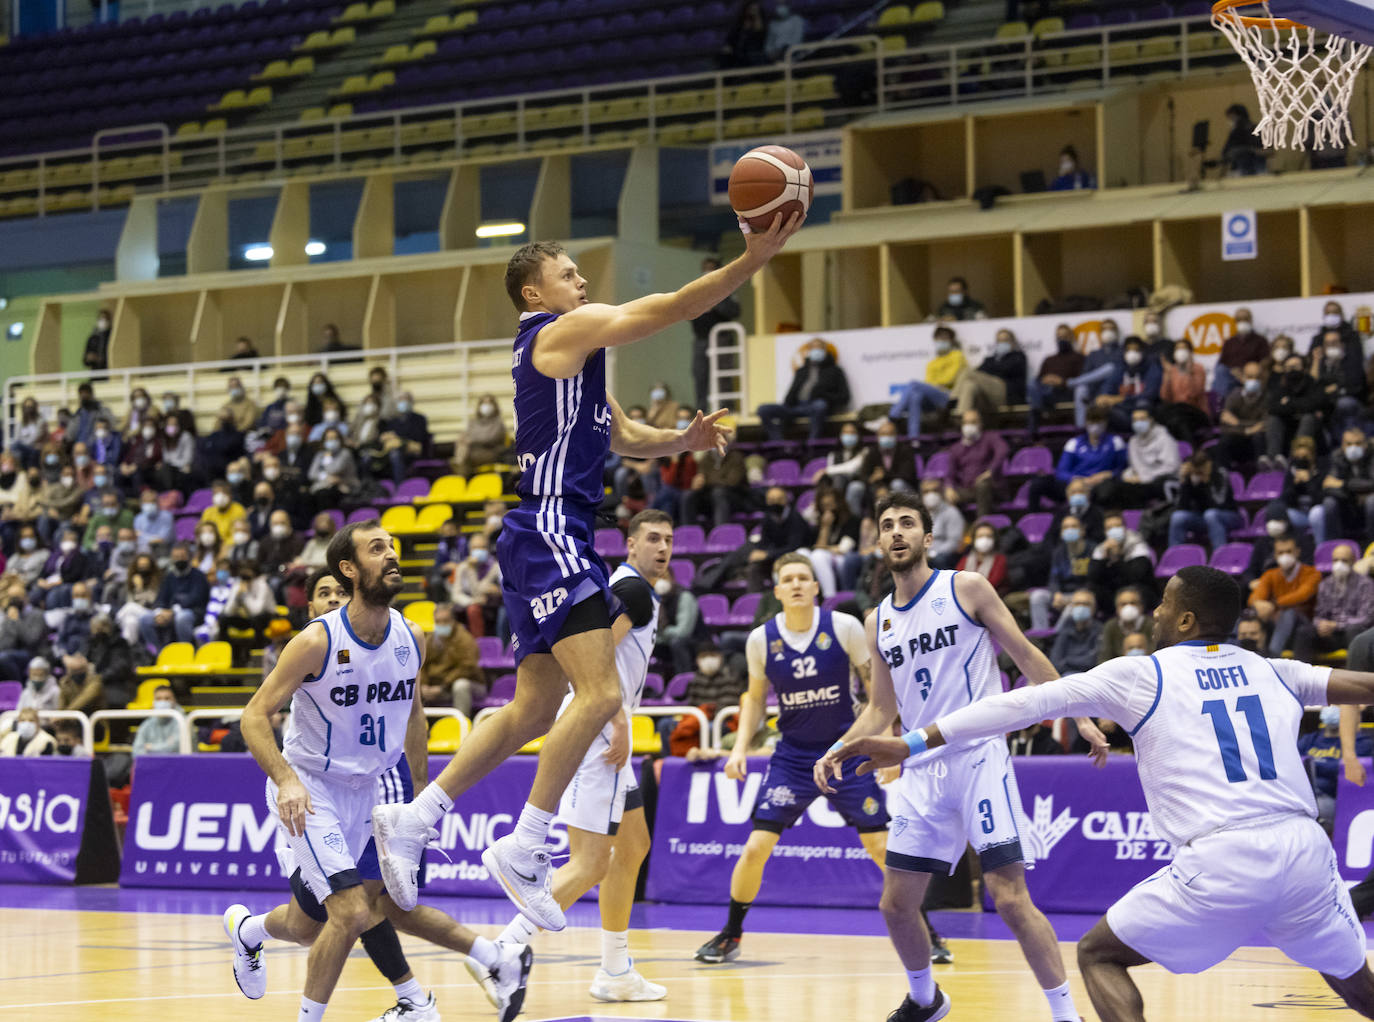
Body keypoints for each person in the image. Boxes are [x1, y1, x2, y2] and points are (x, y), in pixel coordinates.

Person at [369, 218, 800, 925]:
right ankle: (527, 842)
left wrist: (682, 439)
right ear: (536, 291)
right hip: (550, 529)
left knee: (534, 707)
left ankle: (417, 818)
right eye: (570, 274)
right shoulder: (557, 331)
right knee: (599, 696)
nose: (583, 282)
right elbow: (671, 307)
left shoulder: (576, 358)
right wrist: (753, 259)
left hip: (544, 532)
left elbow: (624, 435)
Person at [838, 563, 1374, 1022]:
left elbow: (1018, 705)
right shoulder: (1273, 669)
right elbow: (1364, 685)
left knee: (1098, 954)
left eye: (1164, 604)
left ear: (1186, 619)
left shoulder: (1142, 674)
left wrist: (912, 742)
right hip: (1306, 851)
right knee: (1352, 980)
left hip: (1224, 855)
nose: (1154, 612)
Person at [813, 492, 1105, 1022]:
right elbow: (881, 708)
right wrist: (836, 748)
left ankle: (1067, 1016)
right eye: (887, 525)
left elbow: (1024, 653)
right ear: (878, 542)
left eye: (907, 524)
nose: (896, 532)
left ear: (928, 538)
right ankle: (926, 1001)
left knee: (1009, 897)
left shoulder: (965, 587)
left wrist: (1079, 712)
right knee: (895, 906)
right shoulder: (877, 620)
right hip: (921, 770)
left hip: (977, 756)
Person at [233, 520, 519, 1022]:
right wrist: (285, 780)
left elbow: (412, 713)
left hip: (374, 792)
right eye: (376, 548)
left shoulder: (412, 636)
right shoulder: (314, 643)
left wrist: (422, 789)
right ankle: (396, 1001)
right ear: (348, 568)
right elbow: (254, 716)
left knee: (310, 924)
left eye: (392, 546)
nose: (391, 555)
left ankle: (248, 932)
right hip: (312, 789)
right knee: (350, 912)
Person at [495, 510, 673, 1001]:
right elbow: (591, 664)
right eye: (652, 538)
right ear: (631, 544)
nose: (663, 547)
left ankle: (615, 971)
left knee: (632, 846)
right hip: (600, 726)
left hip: (603, 723)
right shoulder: (633, 591)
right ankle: (503, 951)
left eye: (669, 540)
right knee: (590, 863)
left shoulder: (625, 587)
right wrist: (616, 719)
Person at [694, 553, 896, 964]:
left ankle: (924, 930)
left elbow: (876, 687)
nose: (798, 584)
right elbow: (753, 699)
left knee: (880, 845)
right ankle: (730, 934)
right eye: (789, 579)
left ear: (817, 587)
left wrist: (888, 742)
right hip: (793, 757)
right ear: (777, 590)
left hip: (846, 752)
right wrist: (738, 749)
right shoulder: (760, 640)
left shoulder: (844, 627)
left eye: (804, 577)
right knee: (755, 848)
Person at [876, 327, 966, 441]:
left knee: (914, 384)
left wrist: (937, 384)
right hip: (934, 400)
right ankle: (914, 439)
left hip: (950, 397)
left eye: (944, 338)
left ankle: (892, 417)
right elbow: (930, 382)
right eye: (938, 339)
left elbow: (951, 378)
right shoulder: (932, 363)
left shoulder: (957, 356)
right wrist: (937, 385)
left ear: (951, 341)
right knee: (915, 395)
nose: (941, 341)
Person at [756, 338, 850, 442]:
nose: (816, 350)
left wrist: (823, 395)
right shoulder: (801, 371)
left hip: (816, 406)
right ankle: (778, 441)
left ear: (825, 350)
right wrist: (790, 399)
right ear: (809, 351)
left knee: (820, 405)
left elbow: (844, 397)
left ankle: (812, 443)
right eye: (813, 348)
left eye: (819, 347)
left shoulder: (835, 371)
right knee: (763, 409)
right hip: (796, 406)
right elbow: (789, 396)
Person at [1249, 535, 1320, 660]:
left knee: (1288, 612)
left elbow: (1302, 594)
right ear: (1275, 556)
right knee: (1247, 615)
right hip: (1276, 625)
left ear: (1297, 552)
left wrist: (1274, 605)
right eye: (1280, 552)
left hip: (1304, 626)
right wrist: (1259, 604)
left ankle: (1273, 656)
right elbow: (1255, 598)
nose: (1285, 555)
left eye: (1288, 551)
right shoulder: (1270, 574)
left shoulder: (1312, 573)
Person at [689, 255, 741, 410]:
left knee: (724, 375)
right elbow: (686, 311)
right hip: (700, 339)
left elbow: (734, 311)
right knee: (700, 375)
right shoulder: (696, 289)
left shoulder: (727, 289)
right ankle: (701, 410)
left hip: (721, 338)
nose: (707, 272)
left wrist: (715, 299)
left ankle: (727, 408)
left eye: (710, 269)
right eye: (705, 269)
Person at [138, 542, 209, 650]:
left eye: (182, 556)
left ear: (189, 557)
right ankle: (157, 653)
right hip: (168, 613)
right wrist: (159, 612)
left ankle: (186, 652)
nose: (179, 559)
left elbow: (196, 598)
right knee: (145, 619)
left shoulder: (198, 576)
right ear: (171, 559)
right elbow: (161, 598)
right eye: (176, 557)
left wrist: (173, 611)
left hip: (193, 612)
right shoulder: (169, 577)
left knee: (181, 618)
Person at [942, 409, 1006, 519]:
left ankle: (982, 524)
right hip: (967, 489)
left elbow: (1003, 450)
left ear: (980, 424)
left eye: (973, 422)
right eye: (966, 423)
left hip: (990, 487)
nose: (969, 426)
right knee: (939, 492)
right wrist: (948, 487)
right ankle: (952, 529)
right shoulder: (956, 448)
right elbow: (950, 474)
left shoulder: (990, 438)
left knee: (983, 485)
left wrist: (990, 471)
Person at [1313, 543, 1374, 658]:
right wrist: (1321, 624)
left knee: (1354, 630)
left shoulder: (1365, 584)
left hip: (1352, 633)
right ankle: (1302, 673)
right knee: (1305, 631)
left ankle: (1355, 674)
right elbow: (1319, 614)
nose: (1339, 564)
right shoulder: (1325, 584)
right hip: (1330, 635)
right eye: (1336, 560)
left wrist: (1337, 625)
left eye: (1344, 560)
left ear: (1353, 561)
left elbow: (1366, 618)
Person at [1027, 324, 1085, 438]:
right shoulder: (1049, 359)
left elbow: (1082, 380)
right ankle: (1041, 406)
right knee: (1032, 383)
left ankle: (1039, 414)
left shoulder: (1079, 358)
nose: (1061, 339)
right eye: (1059, 337)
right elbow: (1039, 379)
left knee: (1038, 400)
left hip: (1065, 391)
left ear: (1072, 338)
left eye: (1065, 336)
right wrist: (1046, 379)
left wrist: (1061, 381)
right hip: (1045, 390)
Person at [1216, 361, 1269, 470]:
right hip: (1238, 439)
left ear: (1262, 379)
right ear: (1242, 378)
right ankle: (1224, 474)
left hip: (1257, 442)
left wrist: (1238, 423)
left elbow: (1265, 424)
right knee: (1224, 440)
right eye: (1250, 377)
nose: (1253, 380)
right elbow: (1225, 425)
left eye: (1257, 377)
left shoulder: (1267, 397)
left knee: (1259, 437)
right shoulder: (1234, 395)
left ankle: (1262, 474)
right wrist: (1247, 430)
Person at [1211, 309, 1269, 399]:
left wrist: (1249, 372)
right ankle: (1220, 404)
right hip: (1232, 375)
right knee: (1220, 370)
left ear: (1250, 320)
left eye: (1245, 319)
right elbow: (1223, 362)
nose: (1242, 322)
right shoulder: (1229, 342)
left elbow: (1266, 360)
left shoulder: (1260, 340)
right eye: (1239, 319)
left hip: (1251, 375)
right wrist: (1234, 372)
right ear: (1235, 322)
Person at [454, 395, 508, 477]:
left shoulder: (498, 422)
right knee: (463, 443)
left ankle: (461, 470)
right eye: (484, 403)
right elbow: (467, 435)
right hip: (473, 450)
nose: (486, 406)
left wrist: (472, 440)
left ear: (494, 406)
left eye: (489, 403)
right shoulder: (473, 422)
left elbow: (491, 438)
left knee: (466, 456)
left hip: (491, 451)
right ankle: (462, 469)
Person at [1050, 589, 1101, 674]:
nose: (1081, 607)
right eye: (1077, 604)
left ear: (1093, 608)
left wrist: (1067, 661)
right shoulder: (1066, 626)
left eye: (1086, 604)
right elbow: (1055, 661)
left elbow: (1091, 662)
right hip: (1065, 676)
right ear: (1072, 607)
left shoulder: (1099, 629)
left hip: (1088, 677)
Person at [132, 685, 184, 756]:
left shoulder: (183, 721)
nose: (162, 702)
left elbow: (175, 748)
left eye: (167, 698)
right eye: (158, 699)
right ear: (154, 702)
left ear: (174, 701)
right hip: (151, 764)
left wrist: (149, 747)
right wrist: (166, 745)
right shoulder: (147, 723)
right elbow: (136, 751)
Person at [1222, 102, 1265, 175]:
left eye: (1232, 118)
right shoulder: (1234, 133)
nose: (1230, 121)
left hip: (1258, 169)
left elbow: (1270, 151)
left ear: (1240, 116)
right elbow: (1225, 153)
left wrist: (1251, 151)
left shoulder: (1257, 130)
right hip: (1238, 170)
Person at [83, 310, 111, 374]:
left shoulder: (111, 337)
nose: (103, 321)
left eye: (105, 319)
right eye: (101, 319)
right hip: (95, 373)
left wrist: (101, 359)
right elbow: (85, 361)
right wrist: (90, 358)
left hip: (108, 373)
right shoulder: (93, 338)